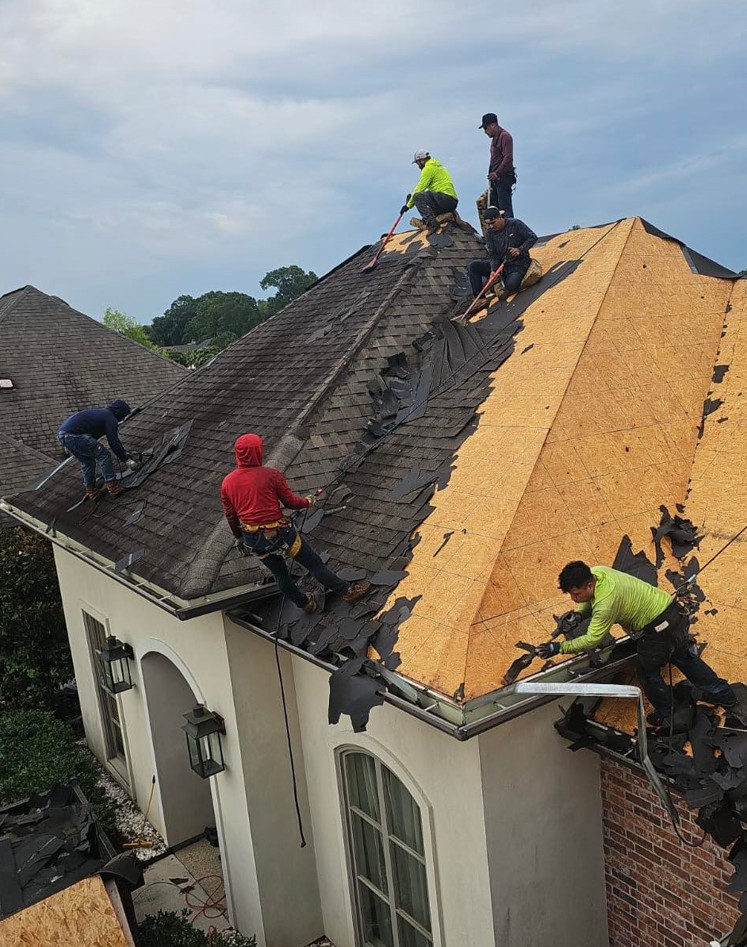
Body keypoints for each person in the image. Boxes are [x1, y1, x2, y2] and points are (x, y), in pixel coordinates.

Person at [537, 561, 737, 727]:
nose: (574, 599)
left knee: (647, 671)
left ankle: (668, 714)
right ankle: (724, 694)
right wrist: (580, 614)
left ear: (589, 585)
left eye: (576, 594)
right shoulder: (599, 571)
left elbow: (592, 639)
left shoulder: (606, 604)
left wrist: (559, 648)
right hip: (673, 612)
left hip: (657, 630)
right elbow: (590, 600)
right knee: (684, 657)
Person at [220, 433, 371, 614]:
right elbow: (291, 503)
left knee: (280, 574)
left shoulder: (228, 482)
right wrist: (308, 501)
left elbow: (231, 515)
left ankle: (305, 604)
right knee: (314, 564)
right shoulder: (271, 475)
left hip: (253, 538)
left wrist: (238, 537)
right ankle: (347, 591)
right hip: (279, 533)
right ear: (257, 452)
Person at [58, 400, 137, 499]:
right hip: (74, 435)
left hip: (64, 435)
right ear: (119, 412)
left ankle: (92, 491)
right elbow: (113, 441)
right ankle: (113, 487)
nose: (123, 418)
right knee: (103, 455)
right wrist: (125, 459)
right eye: (124, 415)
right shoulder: (109, 417)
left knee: (87, 461)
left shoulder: (102, 414)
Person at [468, 207, 537, 299]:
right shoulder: (489, 233)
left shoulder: (515, 224)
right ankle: (480, 299)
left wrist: (520, 249)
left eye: (493, 223)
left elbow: (532, 237)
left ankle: (501, 284)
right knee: (474, 266)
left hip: (517, 263)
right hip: (501, 264)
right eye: (489, 224)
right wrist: (493, 270)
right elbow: (493, 254)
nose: (491, 226)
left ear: (500, 217)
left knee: (512, 285)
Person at [402, 151, 458, 234]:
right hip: (450, 201)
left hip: (445, 199)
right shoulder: (437, 166)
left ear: (422, 160)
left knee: (418, 197)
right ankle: (428, 219)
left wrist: (408, 206)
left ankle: (432, 224)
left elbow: (420, 188)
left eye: (418, 163)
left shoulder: (428, 169)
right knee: (427, 196)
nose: (418, 166)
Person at [479, 112, 516, 217]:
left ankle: (510, 231)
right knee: (495, 208)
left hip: (503, 178)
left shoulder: (505, 136)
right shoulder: (495, 138)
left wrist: (497, 173)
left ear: (493, 125)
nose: (485, 132)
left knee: (505, 208)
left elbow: (508, 158)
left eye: (486, 128)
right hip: (495, 179)